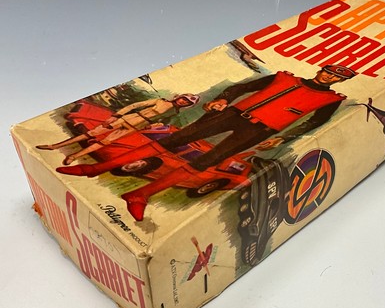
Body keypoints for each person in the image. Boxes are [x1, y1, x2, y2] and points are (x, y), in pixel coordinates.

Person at [58, 65, 357, 220]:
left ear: (339, 81)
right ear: (321, 70)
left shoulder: (331, 99)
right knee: (175, 140)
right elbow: (240, 88)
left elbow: (315, 123)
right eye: (328, 72)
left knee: (209, 161)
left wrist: (284, 136)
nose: (329, 77)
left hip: (260, 130)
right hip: (232, 114)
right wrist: (222, 99)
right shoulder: (283, 77)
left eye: (335, 77)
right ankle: (95, 169)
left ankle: (140, 195)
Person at [37, 94, 200, 164]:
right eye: (183, 99)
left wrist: (150, 126)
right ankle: (54, 146)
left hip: (137, 126)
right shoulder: (160, 101)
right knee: (91, 133)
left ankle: (73, 156)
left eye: (187, 102)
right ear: (179, 97)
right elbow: (134, 105)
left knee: (105, 142)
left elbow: (163, 123)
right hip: (126, 118)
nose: (183, 102)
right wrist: (115, 116)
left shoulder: (174, 113)